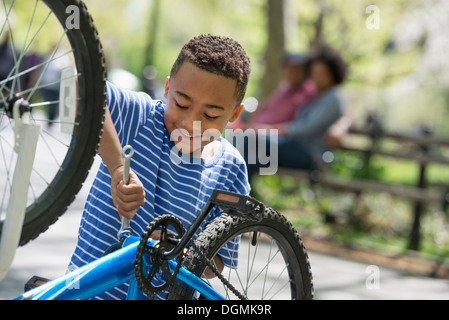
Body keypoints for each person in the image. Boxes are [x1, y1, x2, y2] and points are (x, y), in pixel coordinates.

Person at [67, 34, 252, 300]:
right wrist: (118, 167)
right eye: (181, 103)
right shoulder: (139, 117)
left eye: (210, 115)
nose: (190, 122)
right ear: (167, 88)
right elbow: (79, 86)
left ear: (234, 114)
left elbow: (218, 263)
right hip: (88, 293)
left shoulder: (231, 169)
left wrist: (188, 255)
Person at [246, 46, 349, 181]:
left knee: (256, 144)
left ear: (333, 73)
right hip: (295, 147)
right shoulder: (317, 95)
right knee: (251, 153)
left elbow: (306, 128)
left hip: (310, 155)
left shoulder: (333, 97)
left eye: (323, 73)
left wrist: (269, 131)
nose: (318, 77)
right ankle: (235, 194)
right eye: (315, 72)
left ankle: (234, 195)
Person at [243, 53, 316, 127]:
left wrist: (265, 128)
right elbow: (267, 108)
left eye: (296, 70)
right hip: (255, 128)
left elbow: (295, 126)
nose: (291, 74)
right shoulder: (284, 88)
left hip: (272, 135)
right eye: (289, 70)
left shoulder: (308, 92)